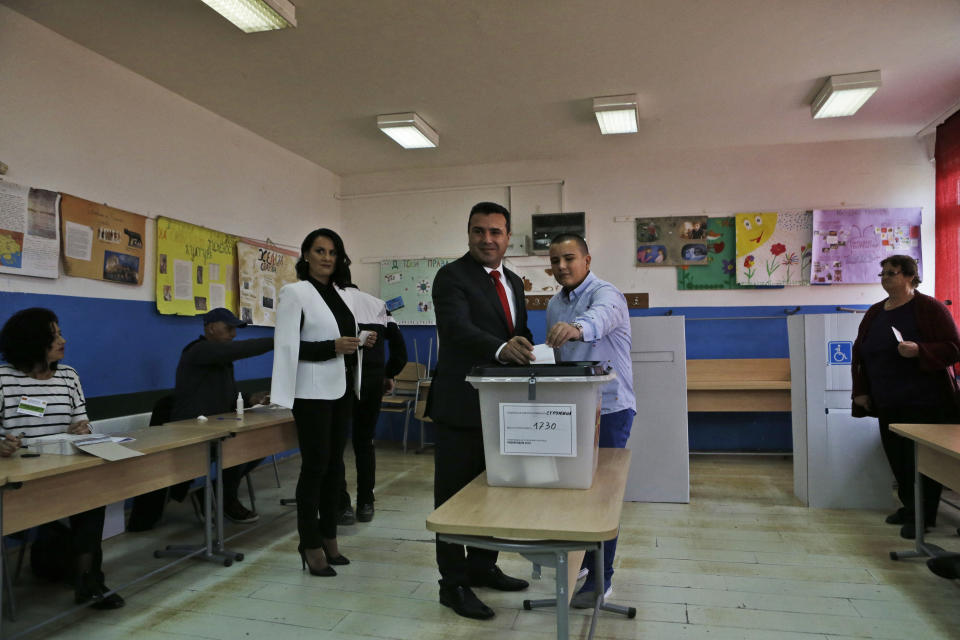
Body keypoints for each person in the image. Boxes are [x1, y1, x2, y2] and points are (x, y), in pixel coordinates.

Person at [427, 201, 535, 620]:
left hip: (499, 405)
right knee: (454, 498)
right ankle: (452, 584)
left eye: (495, 232)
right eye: (479, 231)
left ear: (508, 237)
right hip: (460, 405)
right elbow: (456, 329)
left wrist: (527, 345)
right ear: (468, 233)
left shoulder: (513, 281)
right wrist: (500, 348)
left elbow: (515, 330)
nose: (487, 239)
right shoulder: (451, 277)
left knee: (491, 491)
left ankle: (482, 565)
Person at [0, 308, 124, 609]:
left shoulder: (69, 377)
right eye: (54, 335)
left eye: (59, 333)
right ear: (32, 341)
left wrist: (83, 429)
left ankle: (87, 578)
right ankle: (78, 571)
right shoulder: (3, 378)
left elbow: (82, 422)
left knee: (93, 499)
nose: (63, 340)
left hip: (65, 468)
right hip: (21, 477)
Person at [271, 228, 374, 577]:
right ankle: (309, 542)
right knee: (314, 469)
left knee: (335, 469)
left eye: (332, 252)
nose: (327, 257)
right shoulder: (295, 292)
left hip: (342, 388)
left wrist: (359, 340)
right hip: (311, 394)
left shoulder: (340, 294)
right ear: (305, 255)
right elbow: (288, 347)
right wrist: (333, 347)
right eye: (319, 251)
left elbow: (337, 336)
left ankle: (329, 536)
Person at [545, 233, 636, 608]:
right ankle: (582, 565)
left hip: (611, 410)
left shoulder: (607, 294)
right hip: (573, 410)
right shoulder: (553, 304)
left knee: (602, 497)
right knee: (574, 491)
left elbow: (597, 320)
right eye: (555, 261)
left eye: (569, 258)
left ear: (586, 259)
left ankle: (602, 578)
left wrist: (577, 328)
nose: (562, 266)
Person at [851, 255, 960, 539]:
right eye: (883, 272)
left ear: (911, 276)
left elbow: (953, 348)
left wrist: (920, 351)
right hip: (887, 398)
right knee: (897, 457)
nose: (885, 277)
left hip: (926, 400)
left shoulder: (930, 308)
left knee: (922, 461)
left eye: (892, 272)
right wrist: (860, 391)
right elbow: (859, 353)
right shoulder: (876, 311)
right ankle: (911, 507)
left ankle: (925, 516)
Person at [337, 286, 407, 525]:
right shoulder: (377, 304)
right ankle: (366, 502)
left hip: (336, 381)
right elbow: (400, 352)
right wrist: (388, 373)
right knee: (365, 443)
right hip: (371, 382)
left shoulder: (328, 303)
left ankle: (341, 505)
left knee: (335, 445)